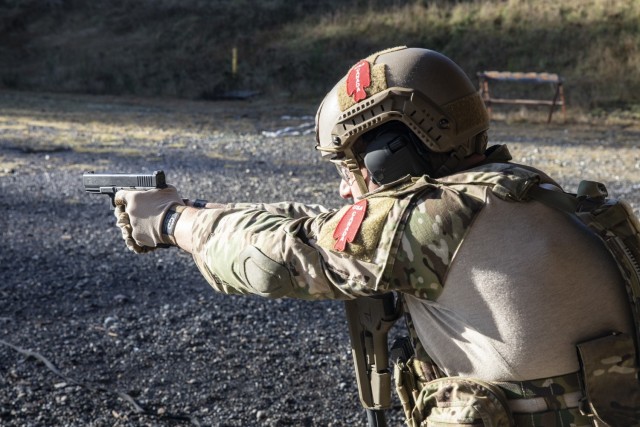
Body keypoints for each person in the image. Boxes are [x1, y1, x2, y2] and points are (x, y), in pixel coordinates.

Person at [114, 47, 638, 426]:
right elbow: (326, 224)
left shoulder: (435, 218)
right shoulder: (542, 199)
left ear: (390, 156)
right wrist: (218, 209)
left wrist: (171, 222)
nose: (346, 191)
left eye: (350, 167)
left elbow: (279, 259)